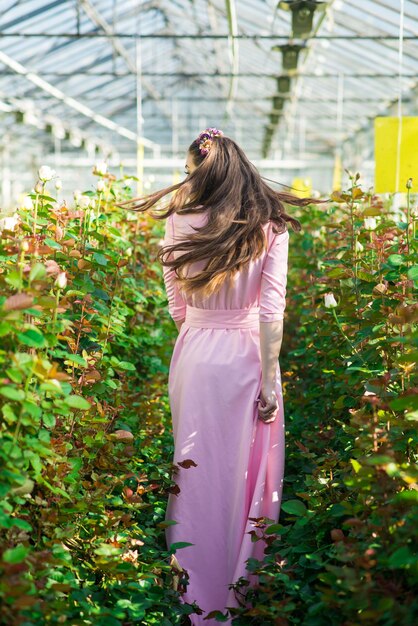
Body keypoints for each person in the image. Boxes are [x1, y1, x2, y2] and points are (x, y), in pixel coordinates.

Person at [117, 128, 326, 625]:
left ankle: (188, 582)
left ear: (200, 171)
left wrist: (201, 332)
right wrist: (270, 377)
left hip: (195, 350)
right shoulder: (270, 225)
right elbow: (271, 311)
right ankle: (241, 584)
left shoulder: (178, 222)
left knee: (193, 464)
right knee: (244, 472)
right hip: (248, 355)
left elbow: (176, 307)